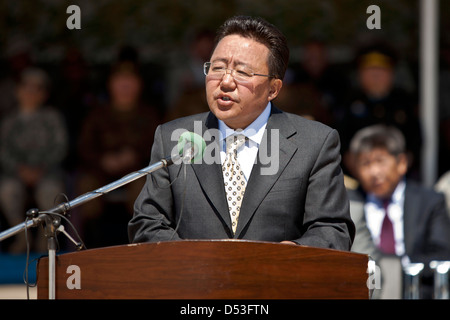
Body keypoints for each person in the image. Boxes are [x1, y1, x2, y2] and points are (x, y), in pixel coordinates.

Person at [128, 16, 354, 250]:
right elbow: (148, 224)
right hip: (194, 282)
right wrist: (195, 264)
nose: (225, 81)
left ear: (273, 88)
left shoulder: (314, 143)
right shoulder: (174, 138)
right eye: (217, 68)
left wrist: (288, 256)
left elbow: (332, 230)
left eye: (242, 72)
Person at [347, 124, 450, 298]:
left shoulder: (429, 201)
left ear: (401, 163)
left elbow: (442, 253)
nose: (374, 171)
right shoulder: (349, 202)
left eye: (380, 161)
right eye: (366, 163)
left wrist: (398, 268)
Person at [77, 61, 161, 248]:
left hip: (137, 172)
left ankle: (141, 245)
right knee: (86, 188)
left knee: (143, 190)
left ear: (139, 84)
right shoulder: (98, 113)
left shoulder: (148, 114)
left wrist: (133, 157)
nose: (124, 85)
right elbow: (85, 147)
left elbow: (158, 143)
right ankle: (89, 247)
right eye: (119, 80)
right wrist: (103, 160)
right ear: (110, 84)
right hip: (101, 172)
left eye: (129, 80)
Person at [0, 67, 68, 253]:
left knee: (52, 192)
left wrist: (41, 169)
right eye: (26, 87)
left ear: (44, 94)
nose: (30, 93)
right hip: (16, 174)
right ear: (18, 90)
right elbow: (3, 150)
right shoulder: (9, 121)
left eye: (36, 88)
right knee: (7, 190)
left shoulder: (52, 118)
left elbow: (60, 147)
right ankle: (22, 238)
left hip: (47, 173)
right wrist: (20, 170)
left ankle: (44, 241)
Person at [338, 43, 422, 179]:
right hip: (358, 179)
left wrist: (396, 173)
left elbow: (415, 142)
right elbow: (341, 143)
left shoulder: (404, 102)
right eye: (370, 70)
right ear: (360, 74)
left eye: (381, 70)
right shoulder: (349, 102)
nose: (375, 76)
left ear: (392, 73)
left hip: (399, 178)